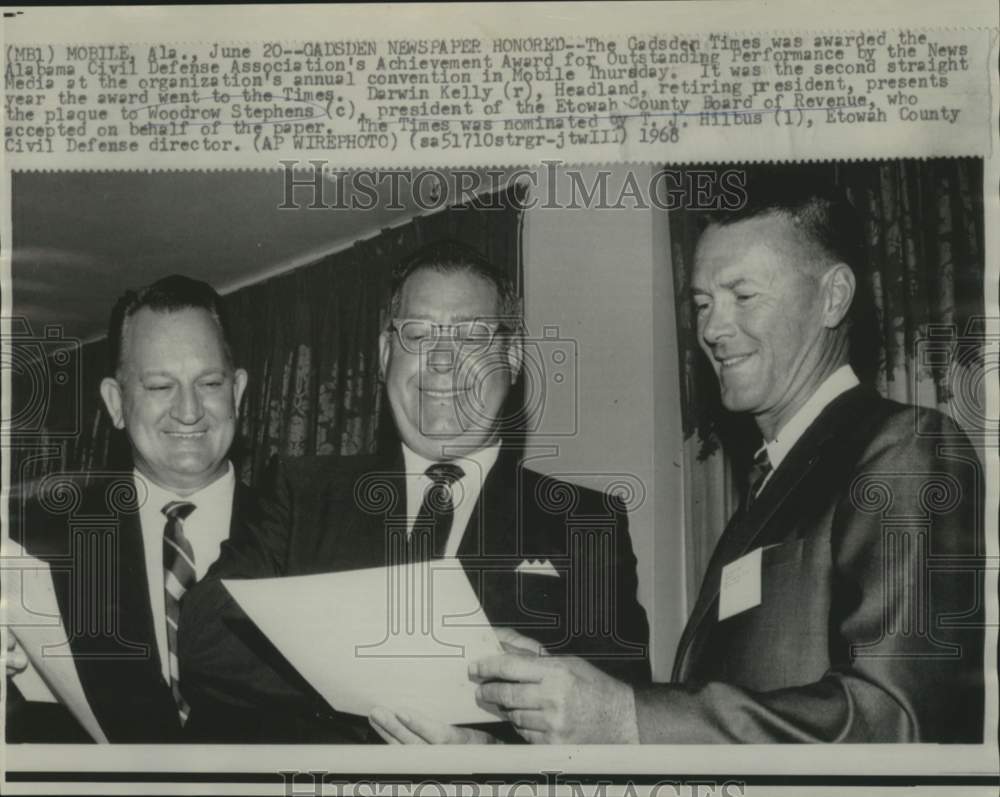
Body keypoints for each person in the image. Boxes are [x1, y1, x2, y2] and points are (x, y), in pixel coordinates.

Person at [470, 179, 985, 743]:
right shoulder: (771, 483)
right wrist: (545, 699)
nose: (713, 328)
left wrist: (624, 717)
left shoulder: (906, 447)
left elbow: (895, 719)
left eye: (743, 295)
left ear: (833, 296)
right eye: (702, 303)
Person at [179, 241, 651, 743]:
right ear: (386, 355)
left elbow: (620, 720)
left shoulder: (586, 521)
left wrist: (497, 761)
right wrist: (373, 675)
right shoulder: (303, 490)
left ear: (511, 358)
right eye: (418, 333)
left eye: (471, 337)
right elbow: (205, 638)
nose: (443, 360)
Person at [6, 275, 253, 742]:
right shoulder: (37, 545)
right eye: (160, 386)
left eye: (210, 382)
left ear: (237, 392)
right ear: (116, 404)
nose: (188, 410)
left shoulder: (309, 533)